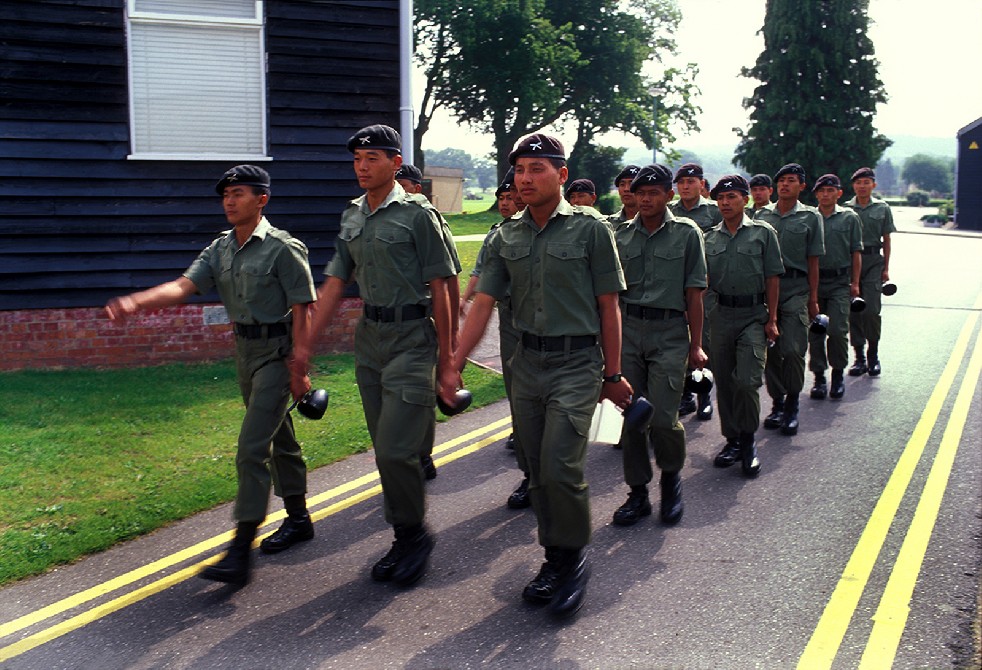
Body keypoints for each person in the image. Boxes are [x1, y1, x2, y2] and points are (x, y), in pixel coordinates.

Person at [443, 133, 631, 618]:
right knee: (535, 467)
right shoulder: (506, 236)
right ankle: (555, 556)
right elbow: (482, 303)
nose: (525, 179)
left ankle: (571, 560)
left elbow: (609, 306)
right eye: (519, 170)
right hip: (526, 365)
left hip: (577, 364)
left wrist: (613, 374)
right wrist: (455, 362)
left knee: (561, 465)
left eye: (537, 169)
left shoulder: (591, 231)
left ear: (562, 175)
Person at [104, 165, 317, 586]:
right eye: (225, 195)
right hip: (245, 352)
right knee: (280, 437)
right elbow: (184, 286)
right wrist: (136, 302)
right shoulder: (220, 249)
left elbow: (304, 310)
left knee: (251, 448)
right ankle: (299, 518)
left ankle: (239, 551)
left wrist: (300, 368)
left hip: (278, 353)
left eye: (238, 193)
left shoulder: (283, 248)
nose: (229, 201)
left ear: (262, 199)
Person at [292, 124, 458, 587]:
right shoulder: (352, 216)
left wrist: (448, 359)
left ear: (394, 161)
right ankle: (406, 533)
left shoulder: (417, 214)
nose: (362, 167)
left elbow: (444, 286)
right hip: (370, 340)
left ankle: (413, 537)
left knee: (396, 449)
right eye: (357, 160)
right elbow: (333, 285)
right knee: (385, 452)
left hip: (411, 338)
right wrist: (303, 346)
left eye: (372, 159)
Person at [611, 164, 707, 527]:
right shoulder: (620, 236)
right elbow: (610, 297)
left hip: (669, 334)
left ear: (669, 195)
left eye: (654, 192)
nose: (646, 199)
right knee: (631, 417)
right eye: (640, 193)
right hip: (629, 331)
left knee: (665, 418)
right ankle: (637, 494)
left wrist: (696, 346)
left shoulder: (687, 234)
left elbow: (695, 294)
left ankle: (671, 481)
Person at [460, 168, 530, 509]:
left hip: (553, 332)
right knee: (516, 384)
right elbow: (481, 275)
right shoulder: (497, 235)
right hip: (510, 321)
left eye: (510, 198)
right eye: (502, 199)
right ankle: (529, 462)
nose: (506, 204)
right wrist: (467, 299)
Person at [704, 175, 783, 477]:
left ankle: (749, 442)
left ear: (745, 200)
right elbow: (702, 282)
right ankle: (732, 440)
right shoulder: (709, 238)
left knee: (748, 380)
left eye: (731, 197)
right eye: (720, 198)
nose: (725, 203)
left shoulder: (763, 234)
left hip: (753, 315)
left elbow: (773, 277)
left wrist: (772, 319)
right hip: (721, 316)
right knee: (724, 381)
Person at [396, 163, 461, 481]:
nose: (398, 190)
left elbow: (449, 276)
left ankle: (422, 453)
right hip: (390, 326)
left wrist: (453, 331)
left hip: (424, 317)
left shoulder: (430, 220)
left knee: (421, 394)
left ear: (416, 188)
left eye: (403, 184)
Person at [754, 163, 824, 436]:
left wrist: (814, 298)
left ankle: (793, 403)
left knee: (793, 350)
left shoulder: (810, 217)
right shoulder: (762, 216)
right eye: (781, 180)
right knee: (770, 352)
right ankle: (777, 403)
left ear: (802, 186)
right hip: (765, 291)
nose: (785, 185)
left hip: (796, 289)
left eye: (791, 180)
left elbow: (814, 260)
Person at [670, 162, 722, 420]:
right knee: (678, 342)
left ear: (702, 184)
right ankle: (684, 395)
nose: (686, 187)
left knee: (703, 342)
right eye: (681, 183)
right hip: (675, 286)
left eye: (691, 182)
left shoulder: (714, 212)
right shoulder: (670, 211)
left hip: (705, 286)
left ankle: (704, 396)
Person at [809, 174, 863, 399]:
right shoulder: (809, 217)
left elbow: (856, 253)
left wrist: (856, 283)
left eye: (830, 190)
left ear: (839, 193)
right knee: (816, 332)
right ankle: (819, 377)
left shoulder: (849, 218)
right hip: (815, 282)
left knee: (839, 331)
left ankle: (838, 375)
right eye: (821, 191)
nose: (825, 194)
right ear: (816, 194)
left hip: (840, 283)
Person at [844, 166, 895, 377]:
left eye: (866, 182)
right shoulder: (846, 209)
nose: (862, 186)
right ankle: (859, 357)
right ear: (853, 185)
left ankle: (873, 355)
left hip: (874, 261)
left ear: (873, 185)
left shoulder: (882, 208)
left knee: (872, 310)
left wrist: (886, 268)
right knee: (854, 310)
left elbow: (887, 239)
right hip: (849, 262)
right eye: (858, 183)